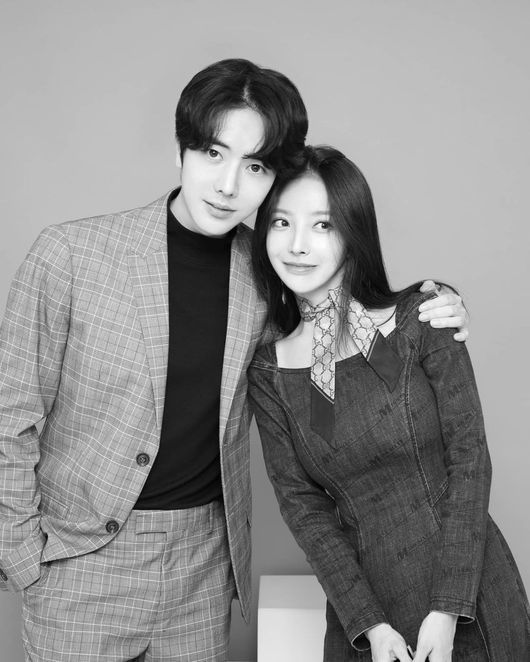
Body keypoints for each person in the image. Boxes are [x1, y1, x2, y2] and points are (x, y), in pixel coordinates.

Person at [0, 59, 467, 662]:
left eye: (254, 166)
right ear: (180, 150)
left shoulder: (272, 273)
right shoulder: (70, 255)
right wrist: (23, 558)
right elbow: (9, 415)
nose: (227, 186)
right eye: (213, 154)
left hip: (202, 568)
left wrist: (434, 305)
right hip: (81, 564)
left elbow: (346, 327)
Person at [248, 145, 530, 662]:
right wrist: (371, 626)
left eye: (323, 225)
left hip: (468, 596)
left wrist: (448, 610)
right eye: (281, 223)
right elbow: (305, 509)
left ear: (353, 233)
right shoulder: (270, 372)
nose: (297, 245)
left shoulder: (422, 319)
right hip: (366, 619)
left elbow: (470, 459)